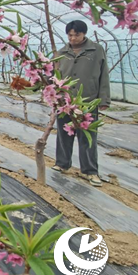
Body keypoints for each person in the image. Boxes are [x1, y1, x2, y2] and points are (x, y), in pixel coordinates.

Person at [51, 20, 110, 187]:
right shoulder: (61, 52)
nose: (73, 38)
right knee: (64, 134)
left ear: (84, 34)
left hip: (87, 101)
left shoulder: (95, 50)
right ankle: (62, 164)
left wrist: (104, 99)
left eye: (76, 34)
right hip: (65, 101)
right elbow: (52, 75)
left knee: (88, 136)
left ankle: (90, 171)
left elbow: (103, 75)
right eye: (70, 35)